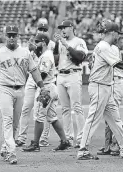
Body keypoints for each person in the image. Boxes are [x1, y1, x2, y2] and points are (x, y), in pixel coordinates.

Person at [77, 22, 123, 160]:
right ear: (112, 33)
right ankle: (83, 150)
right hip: (99, 86)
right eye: (118, 33)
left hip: (105, 86)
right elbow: (119, 64)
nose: (119, 36)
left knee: (115, 120)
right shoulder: (104, 46)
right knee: (93, 118)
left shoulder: (104, 46)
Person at [0, 25, 46, 165]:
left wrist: (42, 87)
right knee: (7, 120)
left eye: (14, 35)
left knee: (15, 123)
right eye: (9, 35)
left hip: (20, 89)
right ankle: (11, 152)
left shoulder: (25, 52)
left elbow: (34, 70)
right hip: (4, 89)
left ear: (18, 36)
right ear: (5, 36)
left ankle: (5, 147)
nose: (11, 37)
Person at [22, 33, 70, 152]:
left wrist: (34, 77)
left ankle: (35, 144)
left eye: (37, 42)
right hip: (51, 88)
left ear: (43, 42)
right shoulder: (45, 54)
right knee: (52, 117)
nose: (35, 44)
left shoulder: (47, 56)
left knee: (39, 116)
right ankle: (64, 141)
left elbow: (42, 75)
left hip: (46, 89)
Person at [16, 24, 55, 147]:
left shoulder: (51, 44)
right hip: (32, 78)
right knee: (26, 108)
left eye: (45, 30)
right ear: (37, 30)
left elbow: (54, 59)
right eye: (41, 29)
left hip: (44, 77)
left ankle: (43, 139)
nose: (42, 31)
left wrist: (35, 50)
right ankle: (21, 137)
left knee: (44, 110)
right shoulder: (30, 44)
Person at [54, 20, 88, 148]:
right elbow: (56, 59)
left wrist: (66, 45)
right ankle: (67, 138)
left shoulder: (79, 41)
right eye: (61, 28)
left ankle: (81, 138)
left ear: (71, 28)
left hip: (73, 74)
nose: (62, 30)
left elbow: (80, 57)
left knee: (77, 107)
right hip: (61, 75)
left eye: (65, 27)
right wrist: (57, 45)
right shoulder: (61, 42)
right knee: (65, 109)